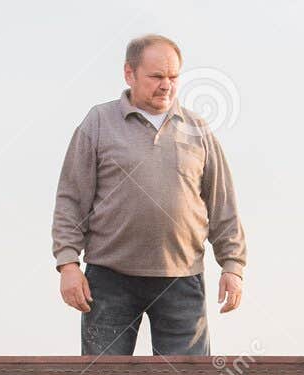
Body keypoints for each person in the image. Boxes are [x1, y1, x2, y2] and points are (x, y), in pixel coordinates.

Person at [51, 33, 247, 356]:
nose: (166, 85)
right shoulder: (98, 123)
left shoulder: (197, 129)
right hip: (108, 280)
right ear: (129, 74)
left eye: (173, 77)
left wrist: (233, 266)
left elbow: (223, 204)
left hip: (182, 280)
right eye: (156, 76)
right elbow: (70, 199)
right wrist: (68, 264)